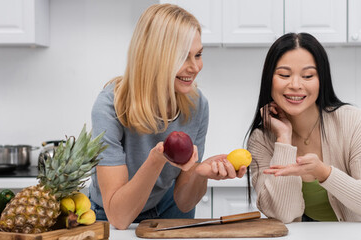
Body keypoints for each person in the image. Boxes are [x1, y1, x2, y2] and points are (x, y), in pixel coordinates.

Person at [90, 4, 246, 230]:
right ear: (153, 57)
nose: (195, 67)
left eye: (198, 55)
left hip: (168, 207)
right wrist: (157, 159)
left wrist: (200, 174)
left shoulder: (197, 105)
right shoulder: (110, 107)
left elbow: (184, 201)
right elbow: (120, 218)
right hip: (111, 213)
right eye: (183, 57)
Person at [245, 32, 361, 223]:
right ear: (269, 79)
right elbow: (284, 215)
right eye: (284, 75)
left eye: (308, 75)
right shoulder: (261, 139)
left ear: (321, 80)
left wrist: (324, 173)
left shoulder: (354, 121)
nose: (295, 85)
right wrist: (283, 139)